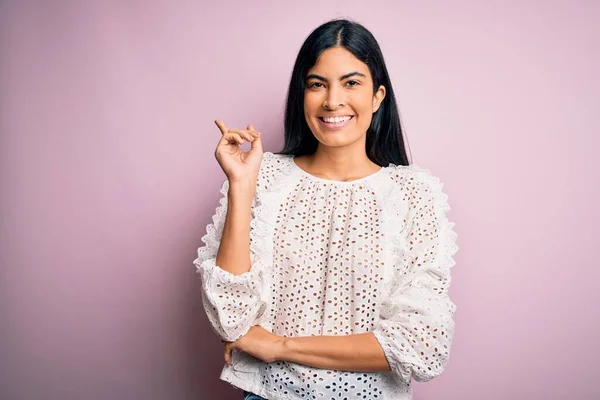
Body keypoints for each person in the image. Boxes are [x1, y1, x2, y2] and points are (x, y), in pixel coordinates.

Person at [194, 18, 458, 400]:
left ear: (378, 96)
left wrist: (281, 347)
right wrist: (241, 185)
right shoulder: (263, 178)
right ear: (302, 95)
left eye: (351, 83)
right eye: (317, 84)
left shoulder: (414, 193)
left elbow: (421, 345)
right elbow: (231, 320)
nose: (333, 100)